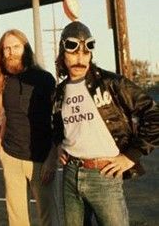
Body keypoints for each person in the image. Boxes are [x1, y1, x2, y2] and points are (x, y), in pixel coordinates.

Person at [52, 21, 159, 226]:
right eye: (74, 52)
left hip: (104, 176)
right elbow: (58, 125)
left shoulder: (111, 84)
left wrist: (131, 156)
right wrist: (59, 145)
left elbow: (153, 114)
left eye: (85, 53)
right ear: (63, 53)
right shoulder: (59, 92)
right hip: (70, 174)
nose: (80, 59)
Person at [0, 29, 59, 226]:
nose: (11, 52)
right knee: (16, 218)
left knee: (49, 216)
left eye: (16, 47)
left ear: (26, 49)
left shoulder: (45, 79)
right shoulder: (5, 80)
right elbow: (5, 114)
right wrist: (0, 146)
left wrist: (51, 159)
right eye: (6, 49)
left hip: (39, 158)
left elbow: (56, 121)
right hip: (11, 155)